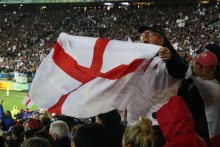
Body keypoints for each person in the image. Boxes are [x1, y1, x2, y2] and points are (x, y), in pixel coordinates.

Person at [126, 25, 188, 146]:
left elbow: (179, 70)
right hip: (133, 123)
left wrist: (169, 59)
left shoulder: (166, 62)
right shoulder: (136, 62)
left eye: (150, 33)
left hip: (156, 126)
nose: (145, 36)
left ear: (161, 40)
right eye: (143, 34)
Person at [178, 51, 219, 146]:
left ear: (212, 69)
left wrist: (187, 129)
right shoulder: (192, 78)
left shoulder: (214, 89)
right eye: (198, 63)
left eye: (203, 66)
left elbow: (205, 121)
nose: (198, 67)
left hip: (196, 133)